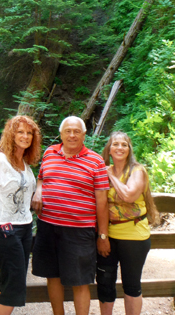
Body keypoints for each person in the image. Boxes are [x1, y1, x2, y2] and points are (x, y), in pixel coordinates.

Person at [31, 116, 110, 315]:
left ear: (84, 135)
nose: (72, 135)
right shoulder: (50, 152)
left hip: (79, 231)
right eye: (68, 131)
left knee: (80, 280)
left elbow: (102, 202)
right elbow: (41, 178)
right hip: (47, 226)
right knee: (52, 276)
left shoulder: (96, 161)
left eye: (76, 131)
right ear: (61, 134)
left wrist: (102, 236)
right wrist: (38, 191)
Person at [0, 115, 41, 315]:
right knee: (15, 283)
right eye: (20, 132)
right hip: (5, 228)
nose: (25, 136)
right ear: (11, 134)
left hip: (24, 227)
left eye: (29, 133)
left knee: (7, 279)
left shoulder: (24, 163)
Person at [97, 131, 160, 315]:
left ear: (129, 149)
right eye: (115, 144)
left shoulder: (137, 170)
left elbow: (128, 195)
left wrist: (111, 175)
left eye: (124, 144)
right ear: (109, 149)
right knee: (105, 283)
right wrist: (102, 236)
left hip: (134, 236)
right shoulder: (103, 171)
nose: (119, 148)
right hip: (107, 236)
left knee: (131, 285)